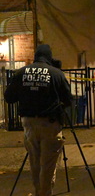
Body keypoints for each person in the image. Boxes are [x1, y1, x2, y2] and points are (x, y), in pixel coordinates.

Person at [4, 44, 72, 196]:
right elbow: (68, 99)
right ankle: (44, 194)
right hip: (50, 123)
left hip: (29, 124)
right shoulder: (56, 73)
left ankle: (38, 192)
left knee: (35, 162)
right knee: (48, 164)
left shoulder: (21, 73)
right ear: (49, 58)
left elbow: (9, 97)